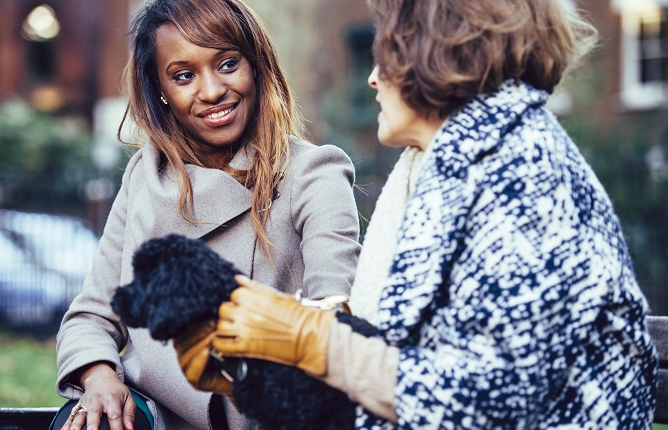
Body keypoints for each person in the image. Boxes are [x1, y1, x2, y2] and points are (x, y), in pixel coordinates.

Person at [184, 0, 660, 428]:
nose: (372, 77)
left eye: (385, 51)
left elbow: (491, 400)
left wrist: (309, 340)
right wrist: (254, 360)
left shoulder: (523, 169)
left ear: (434, 51)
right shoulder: (450, 164)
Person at [53, 0, 362, 429]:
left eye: (228, 63)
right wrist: (100, 376)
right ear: (160, 89)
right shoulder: (145, 176)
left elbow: (333, 317)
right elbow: (92, 316)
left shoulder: (313, 172)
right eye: (184, 76)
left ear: (255, 65)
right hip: (156, 415)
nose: (213, 90)